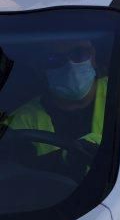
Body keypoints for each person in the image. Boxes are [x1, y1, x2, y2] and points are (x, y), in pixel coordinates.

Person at [6, 39, 106, 172]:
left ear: (92, 56)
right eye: (54, 59)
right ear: (40, 68)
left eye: (78, 53)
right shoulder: (17, 123)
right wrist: (65, 159)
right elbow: (13, 177)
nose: (70, 66)